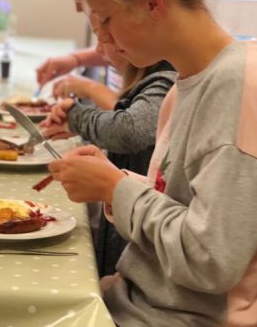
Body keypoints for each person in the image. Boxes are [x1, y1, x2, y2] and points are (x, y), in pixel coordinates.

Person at [48, 0, 257, 327]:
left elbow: (212, 258)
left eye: (105, 20)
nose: (103, 40)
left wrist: (119, 190)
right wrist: (115, 182)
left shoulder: (241, 85)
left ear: (151, 2)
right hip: (147, 304)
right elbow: (191, 204)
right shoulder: (187, 85)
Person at [42, 39, 176, 277]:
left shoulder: (166, 78)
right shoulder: (154, 75)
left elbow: (130, 129)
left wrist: (80, 115)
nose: (100, 47)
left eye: (107, 25)